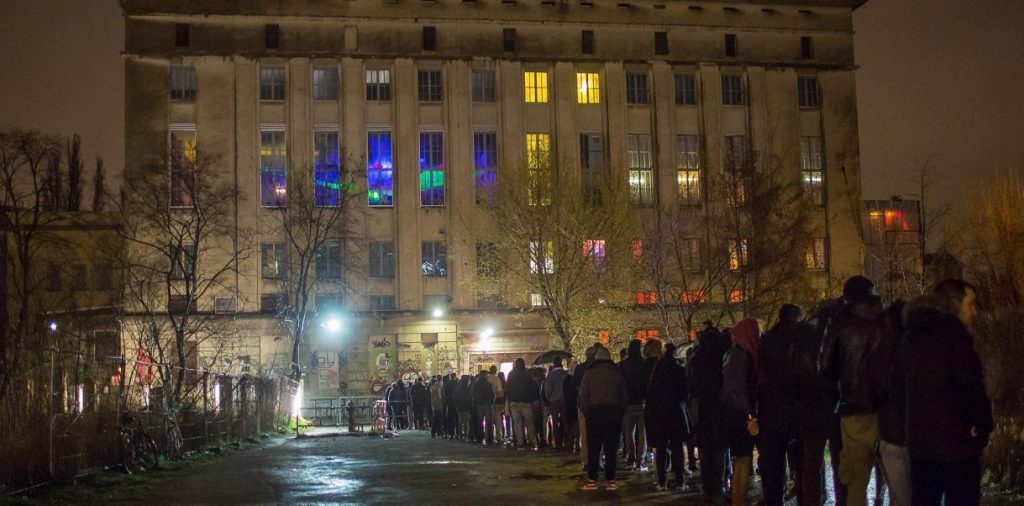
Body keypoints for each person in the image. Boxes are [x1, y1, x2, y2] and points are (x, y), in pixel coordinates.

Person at [904, 279, 993, 505]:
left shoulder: (911, 334)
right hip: (956, 445)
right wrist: (982, 426)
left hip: (920, 444)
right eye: (970, 304)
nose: (974, 311)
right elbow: (971, 385)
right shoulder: (955, 336)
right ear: (955, 303)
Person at [821, 276, 887, 506]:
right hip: (887, 409)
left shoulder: (838, 324)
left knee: (856, 481)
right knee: (896, 478)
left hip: (853, 408)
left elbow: (825, 366)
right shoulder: (885, 321)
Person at [792, 300, 846, 506]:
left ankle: (811, 502)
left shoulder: (804, 332)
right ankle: (842, 501)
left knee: (811, 465)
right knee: (839, 462)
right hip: (834, 405)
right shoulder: (838, 331)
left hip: (810, 407)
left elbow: (795, 372)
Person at [757, 305, 802, 506]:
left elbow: (758, 376)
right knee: (804, 463)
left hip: (771, 409)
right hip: (798, 409)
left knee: (773, 462)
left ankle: (773, 499)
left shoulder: (766, 340)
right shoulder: (803, 339)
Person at [720, 317, 762, 506]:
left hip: (729, 411)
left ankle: (738, 497)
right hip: (740, 413)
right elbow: (741, 388)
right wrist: (750, 415)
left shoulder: (730, 353)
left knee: (739, 458)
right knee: (744, 459)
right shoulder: (743, 355)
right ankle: (740, 499)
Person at [689, 325, 731, 502]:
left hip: (704, 406)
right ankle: (718, 486)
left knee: (706, 448)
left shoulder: (697, 357)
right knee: (719, 449)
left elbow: (691, 383)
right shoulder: (723, 355)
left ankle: (708, 487)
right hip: (720, 406)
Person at [579, 347, 628, 491]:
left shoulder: (589, 374)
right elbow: (623, 395)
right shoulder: (616, 373)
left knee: (593, 448)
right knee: (611, 448)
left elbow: (583, 396)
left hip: (594, 413)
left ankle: (592, 480)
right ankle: (610, 480)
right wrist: (620, 412)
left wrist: (586, 412)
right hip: (613, 413)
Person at [875, 300, 909, 506]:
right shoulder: (916, 349)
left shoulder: (882, 350)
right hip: (912, 430)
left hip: (890, 430)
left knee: (900, 494)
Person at [645, 340, 690, 491]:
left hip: (658, 413)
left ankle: (662, 481)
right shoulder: (677, 369)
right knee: (677, 447)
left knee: (661, 448)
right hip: (675, 411)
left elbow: (647, 392)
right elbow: (684, 393)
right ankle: (679, 480)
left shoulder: (653, 371)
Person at [619, 339, 648, 470]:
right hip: (642, 402)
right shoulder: (644, 364)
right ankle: (640, 459)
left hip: (628, 402)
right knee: (642, 434)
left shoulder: (623, 365)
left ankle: (631, 457)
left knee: (629, 432)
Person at [573, 345, 600, 470]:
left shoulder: (579, 368)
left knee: (584, 434)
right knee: (599, 434)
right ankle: (598, 460)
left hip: (583, 404)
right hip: (598, 404)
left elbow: (573, 385)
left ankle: (586, 461)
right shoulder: (599, 368)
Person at [506, 358, 539, 449]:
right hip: (526, 402)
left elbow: (507, 388)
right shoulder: (527, 374)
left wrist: (509, 400)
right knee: (529, 423)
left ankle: (520, 442)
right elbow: (532, 387)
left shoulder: (511, 375)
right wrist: (533, 399)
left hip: (514, 402)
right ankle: (531, 441)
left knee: (517, 423)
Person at [542, 357, 570, 449]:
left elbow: (547, 390)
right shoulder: (566, 374)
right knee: (565, 421)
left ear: (554, 364)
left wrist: (549, 398)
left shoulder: (550, 376)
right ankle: (566, 441)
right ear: (561, 363)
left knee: (554, 421)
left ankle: (557, 442)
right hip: (565, 400)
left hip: (554, 401)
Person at [472, 369, 496, 444]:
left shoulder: (476, 383)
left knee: (480, 420)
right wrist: (492, 402)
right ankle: (489, 438)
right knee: (489, 421)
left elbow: (473, 393)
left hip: (479, 404)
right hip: (487, 403)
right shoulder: (488, 384)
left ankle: (479, 437)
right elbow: (492, 394)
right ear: (485, 375)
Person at [486, 366, 506, 445]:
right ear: (496, 371)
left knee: (488, 420)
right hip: (496, 402)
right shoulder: (497, 379)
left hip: (487, 402)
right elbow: (500, 392)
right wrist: (502, 403)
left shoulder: (486, 378)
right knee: (498, 420)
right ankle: (499, 437)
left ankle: (488, 436)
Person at [455, 375, 473, 440]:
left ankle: (460, 435)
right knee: (466, 422)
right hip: (467, 407)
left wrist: (457, 405)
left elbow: (455, 398)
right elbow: (470, 399)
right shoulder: (468, 388)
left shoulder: (458, 388)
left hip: (460, 407)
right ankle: (466, 435)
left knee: (460, 422)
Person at [443, 373, 459, 439]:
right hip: (456, 404)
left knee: (450, 418)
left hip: (449, 404)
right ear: (455, 377)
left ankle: (451, 432)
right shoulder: (457, 384)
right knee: (457, 419)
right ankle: (457, 433)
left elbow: (445, 395)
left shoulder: (448, 385)